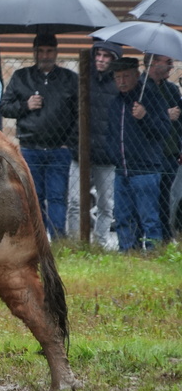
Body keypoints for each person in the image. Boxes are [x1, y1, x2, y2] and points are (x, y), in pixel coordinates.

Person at [0, 33, 79, 238]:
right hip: (30, 147)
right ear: (34, 53)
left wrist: (68, 143)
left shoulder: (69, 79)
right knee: (33, 197)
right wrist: (26, 105)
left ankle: (59, 239)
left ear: (56, 52)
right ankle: (37, 239)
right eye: (41, 51)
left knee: (57, 197)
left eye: (49, 51)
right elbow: (5, 108)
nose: (45, 55)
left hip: (59, 149)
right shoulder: (21, 77)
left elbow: (81, 115)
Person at [108, 57, 170, 251]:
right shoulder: (116, 102)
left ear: (137, 75)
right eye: (118, 77)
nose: (122, 81)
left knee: (149, 218)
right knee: (123, 217)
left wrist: (145, 117)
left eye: (126, 76)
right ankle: (127, 253)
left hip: (146, 170)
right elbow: (110, 134)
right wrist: (113, 155)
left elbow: (164, 130)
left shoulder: (151, 97)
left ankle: (153, 254)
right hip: (121, 170)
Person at [67, 40, 122, 249]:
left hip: (107, 155)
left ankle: (100, 243)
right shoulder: (82, 79)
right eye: (98, 54)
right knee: (74, 201)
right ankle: (74, 243)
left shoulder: (118, 84)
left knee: (106, 204)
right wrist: (71, 141)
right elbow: (70, 112)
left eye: (106, 56)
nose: (100, 60)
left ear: (114, 59)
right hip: (80, 152)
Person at [143, 53, 182, 239]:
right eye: (167, 62)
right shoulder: (141, 88)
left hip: (171, 154)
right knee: (150, 204)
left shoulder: (172, 90)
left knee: (169, 202)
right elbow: (139, 120)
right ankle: (149, 241)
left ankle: (167, 241)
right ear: (153, 63)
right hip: (149, 156)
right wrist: (164, 115)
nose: (170, 67)